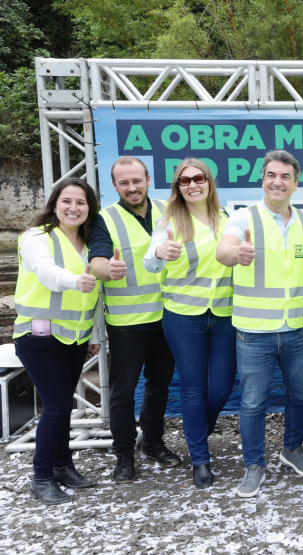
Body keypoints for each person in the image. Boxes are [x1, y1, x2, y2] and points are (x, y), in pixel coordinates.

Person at [215, 150, 303, 498]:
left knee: (302, 395)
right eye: (272, 175)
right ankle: (254, 465)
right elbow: (224, 249)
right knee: (253, 403)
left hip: (297, 329)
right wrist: (235, 253)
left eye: (285, 176)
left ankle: (292, 449)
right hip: (253, 332)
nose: (278, 182)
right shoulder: (243, 218)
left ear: (296, 183)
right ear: (263, 179)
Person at [143, 158, 235, 489]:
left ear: (209, 183)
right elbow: (150, 262)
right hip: (183, 317)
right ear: (177, 188)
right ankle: (200, 458)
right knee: (194, 386)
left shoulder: (226, 218)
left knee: (223, 384)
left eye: (199, 178)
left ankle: (198, 429)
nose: (193, 184)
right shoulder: (169, 221)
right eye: (185, 181)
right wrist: (159, 253)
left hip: (224, 315)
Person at [90, 157, 180, 483]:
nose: (132, 187)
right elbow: (97, 259)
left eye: (136, 180)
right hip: (127, 323)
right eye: (124, 182)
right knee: (123, 392)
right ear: (114, 186)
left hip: (168, 318)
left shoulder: (170, 210)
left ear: (148, 179)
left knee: (159, 385)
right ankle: (124, 454)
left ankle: (153, 442)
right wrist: (106, 269)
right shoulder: (104, 219)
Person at [14, 178, 102, 504]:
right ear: (54, 204)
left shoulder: (90, 244)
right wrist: (74, 280)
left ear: (89, 208)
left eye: (81, 202)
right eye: (67, 201)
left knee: (62, 405)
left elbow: (94, 295)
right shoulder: (36, 237)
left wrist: (92, 334)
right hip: (39, 336)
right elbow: (44, 271)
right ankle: (41, 477)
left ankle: (64, 466)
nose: (73, 208)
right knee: (57, 406)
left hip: (74, 338)